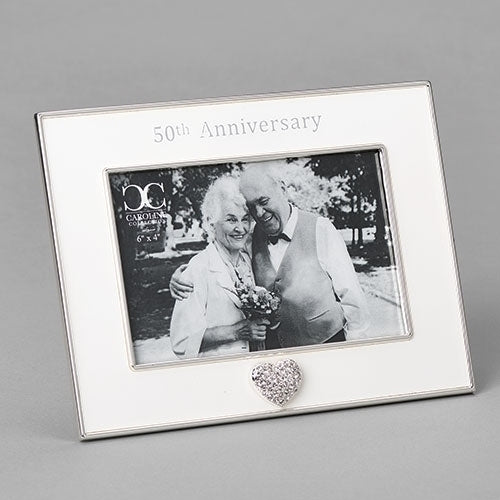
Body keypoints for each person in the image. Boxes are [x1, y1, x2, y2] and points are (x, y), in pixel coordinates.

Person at [171, 164, 370, 349]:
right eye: (251, 207)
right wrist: (181, 279)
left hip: (327, 345)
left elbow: (352, 297)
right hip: (274, 351)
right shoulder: (250, 239)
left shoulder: (321, 229)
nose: (259, 213)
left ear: (282, 189)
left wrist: (354, 347)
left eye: (263, 201)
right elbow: (221, 252)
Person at [169, 176, 269, 359]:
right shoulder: (198, 269)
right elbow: (182, 341)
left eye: (245, 219)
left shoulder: (248, 259)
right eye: (231, 220)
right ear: (211, 223)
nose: (241, 228)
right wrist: (236, 332)